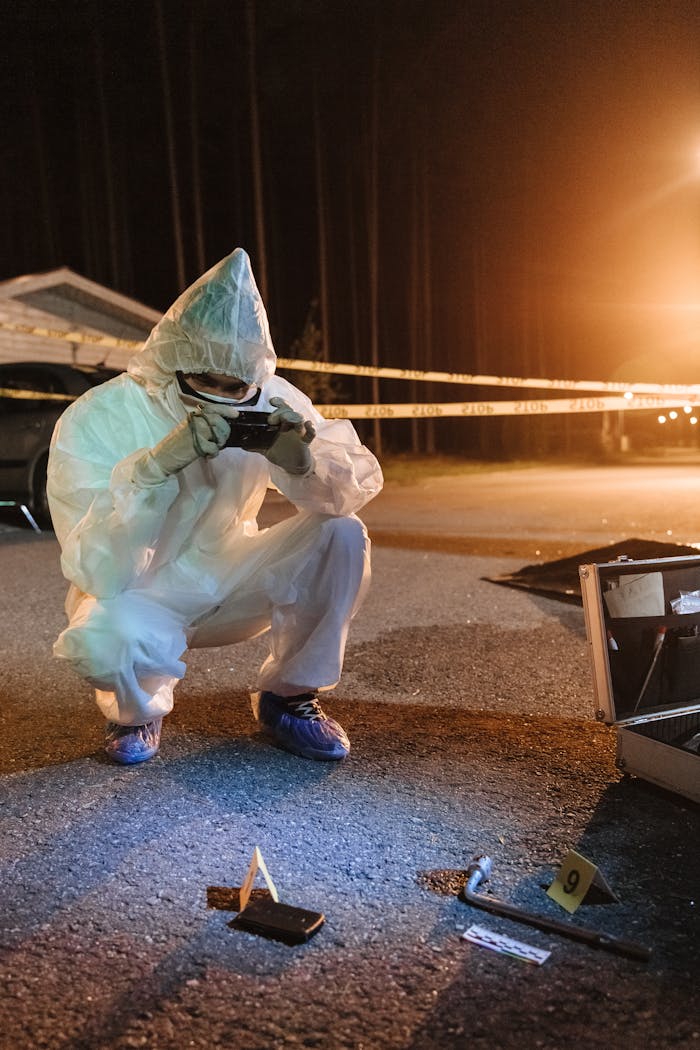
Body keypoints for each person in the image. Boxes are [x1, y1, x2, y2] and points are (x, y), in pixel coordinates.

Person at [47, 248, 383, 765]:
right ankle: (137, 713)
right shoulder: (102, 416)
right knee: (106, 637)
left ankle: (291, 698)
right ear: (175, 363)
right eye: (206, 382)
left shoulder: (271, 398)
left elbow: (348, 489)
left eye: (238, 387)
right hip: (145, 586)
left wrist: (302, 464)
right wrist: (153, 469)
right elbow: (99, 568)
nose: (225, 396)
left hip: (232, 571)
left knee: (342, 533)